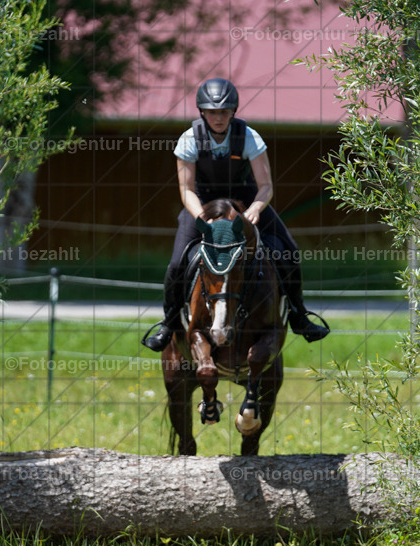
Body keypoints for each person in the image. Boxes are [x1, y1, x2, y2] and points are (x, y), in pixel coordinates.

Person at [141, 77, 329, 351]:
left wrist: (254, 209)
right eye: (213, 111)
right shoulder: (189, 139)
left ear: (233, 112)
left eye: (224, 111)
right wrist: (201, 217)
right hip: (202, 205)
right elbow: (186, 189)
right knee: (178, 262)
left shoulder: (249, 137)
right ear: (202, 112)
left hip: (246, 203)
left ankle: (299, 315)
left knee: (289, 249)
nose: (218, 117)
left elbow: (266, 187)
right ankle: (168, 324)